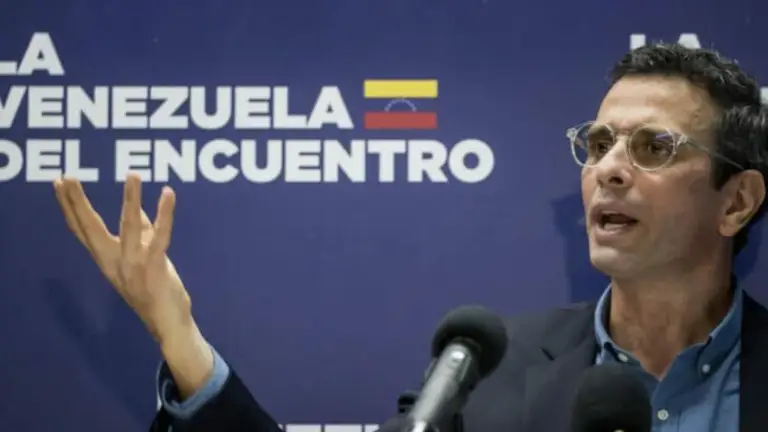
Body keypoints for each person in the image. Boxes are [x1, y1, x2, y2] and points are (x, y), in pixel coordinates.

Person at [53, 42, 768, 432]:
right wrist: (180, 339)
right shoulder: (487, 369)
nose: (608, 169)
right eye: (600, 142)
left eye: (653, 148)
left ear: (735, 201)